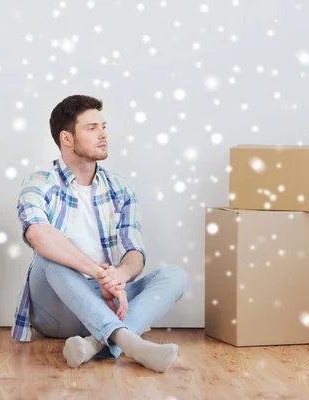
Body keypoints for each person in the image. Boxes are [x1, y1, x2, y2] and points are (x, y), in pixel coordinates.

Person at [12, 95, 188, 372]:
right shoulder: (39, 183)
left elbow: (134, 254)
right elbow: (38, 236)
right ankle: (128, 341)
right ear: (67, 138)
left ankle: (96, 344)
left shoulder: (120, 187)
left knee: (174, 275)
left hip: (106, 300)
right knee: (48, 257)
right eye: (92, 128)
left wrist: (119, 276)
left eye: (103, 127)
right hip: (57, 307)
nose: (103, 135)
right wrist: (99, 273)